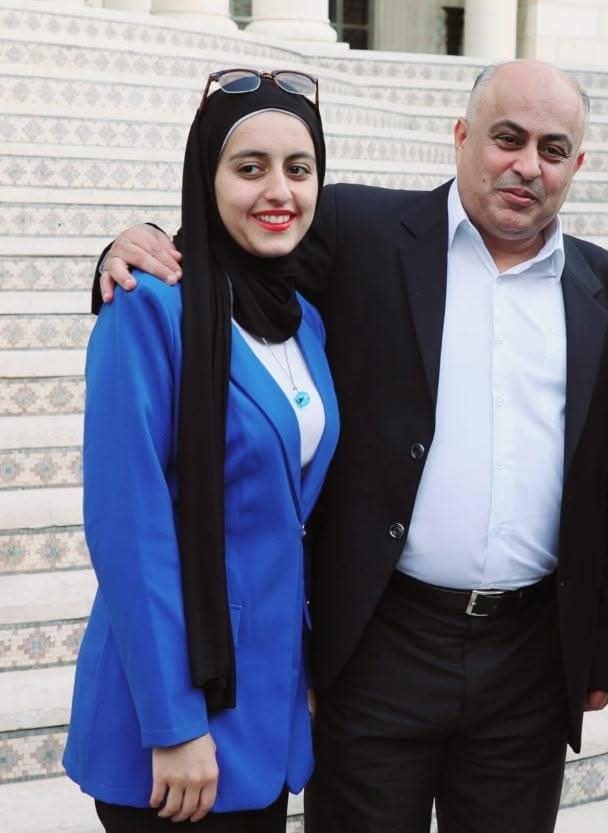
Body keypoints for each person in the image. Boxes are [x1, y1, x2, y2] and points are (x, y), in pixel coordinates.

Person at [95, 60, 608, 833]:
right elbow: (235, 249)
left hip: (527, 661)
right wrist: (131, 250)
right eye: (507, 138)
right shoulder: (359, 229)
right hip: (383, 643)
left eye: (553, 149)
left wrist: (603, 650)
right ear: (461, 137)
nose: (528, 165)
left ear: (578, 164)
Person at [65, 70, 339, 831]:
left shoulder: (304, 319)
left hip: (267, 709)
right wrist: (174, 723)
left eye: (299, 168)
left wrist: (303, 673)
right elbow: (129, 527)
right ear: (205, 177)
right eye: (249, 167)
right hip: (173, 718)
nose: (278, 190)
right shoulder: (148, 307)